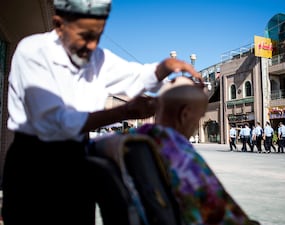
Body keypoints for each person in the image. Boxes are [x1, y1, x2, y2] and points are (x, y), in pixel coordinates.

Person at [2, 1, 202, 225]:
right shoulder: (33, 51)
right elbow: (53, 123)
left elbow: (137, 75)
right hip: (34, 164)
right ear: (59, 24)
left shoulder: (97, 58)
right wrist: (123, 112)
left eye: (98, 35)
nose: (91, 45)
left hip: (76, 161)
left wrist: (166, 66)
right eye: (85, 35)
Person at [129, 76, 259, 224]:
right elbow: (222, 216)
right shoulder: (181, 157)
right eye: (199, 117)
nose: (197, 125)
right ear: (185, 114)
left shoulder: (128, 140)